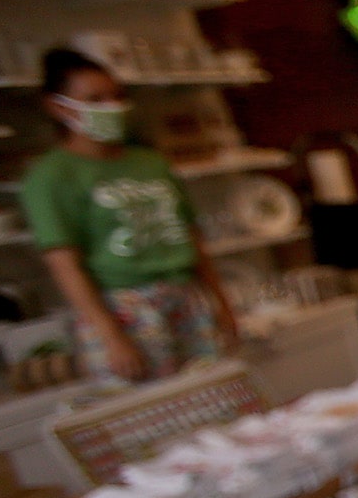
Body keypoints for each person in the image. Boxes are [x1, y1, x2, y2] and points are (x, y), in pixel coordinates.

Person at [22, 48, 237, 382]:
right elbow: (65, 265)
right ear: (58, 107)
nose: (110, 108)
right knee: (153, 416)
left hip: (186, 299)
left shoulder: (149, 162)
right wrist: (111, 336)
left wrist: (221, 303)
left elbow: (191, 238)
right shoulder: (51, 176)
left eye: (116, 97)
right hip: (123, 311)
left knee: (214, 399)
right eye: (95, 100)